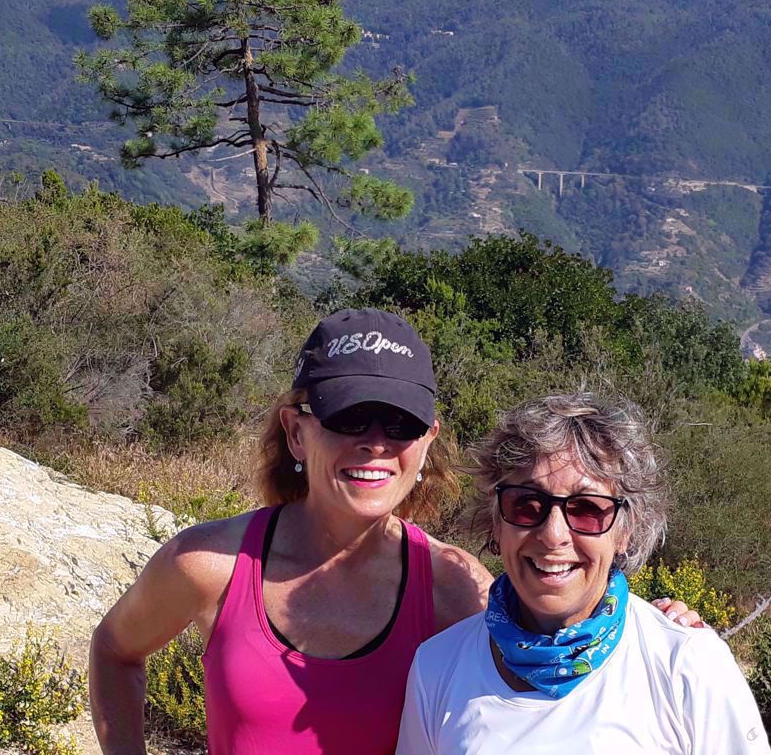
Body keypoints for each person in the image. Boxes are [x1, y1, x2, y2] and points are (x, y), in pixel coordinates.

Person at [88, 310, 704, 754]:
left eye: (400, 424)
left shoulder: (453, 590)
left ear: (427, 441)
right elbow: (115, 652)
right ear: (298, 431)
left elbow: (551, 636)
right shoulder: (211, 564)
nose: (376, 443)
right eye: (350, 416)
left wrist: (650, 628)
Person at [397, 392, 771, 754]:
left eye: (587, 509)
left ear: (626, 530)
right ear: (496, 522)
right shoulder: (436, 668)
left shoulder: (687, 667)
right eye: (526, 504)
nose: (553, 534)